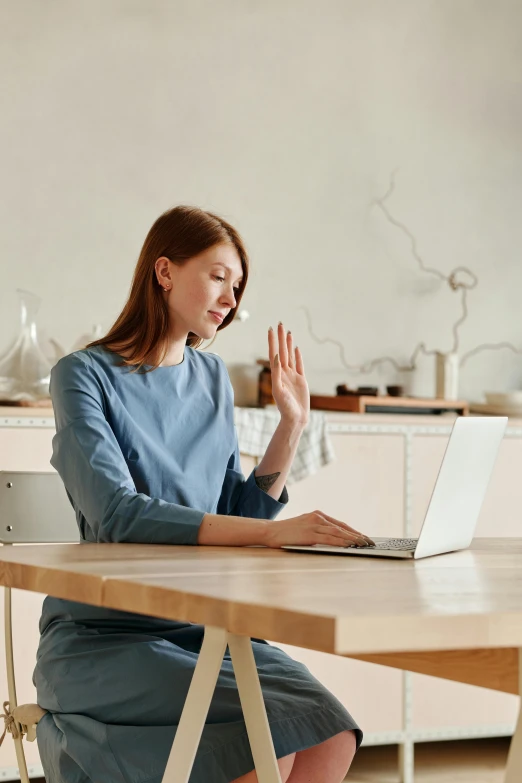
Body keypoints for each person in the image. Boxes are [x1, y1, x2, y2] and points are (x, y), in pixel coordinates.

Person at [34, 206, 373, 783]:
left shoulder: (210, 378)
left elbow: (232, 515)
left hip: (203, 624)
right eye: (218, 277)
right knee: (264, 743)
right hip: (107, 636)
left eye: (237, 286)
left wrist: (290, 428)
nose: (230, 299)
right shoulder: (82, 374)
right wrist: (273, 531)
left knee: (330, 732)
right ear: (164, 272)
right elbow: (117, 513)